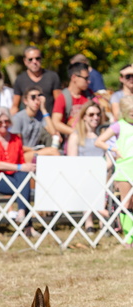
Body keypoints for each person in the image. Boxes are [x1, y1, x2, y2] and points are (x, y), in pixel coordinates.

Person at [0, 106, 38, 237]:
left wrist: (26, 167)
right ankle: (26, 223)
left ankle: (21, 213)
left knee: (24, 177)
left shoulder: (16, 139)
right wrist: (20, 167)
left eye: (6, 121)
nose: (3, 125)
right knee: (23, 181)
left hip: (15, 178)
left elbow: (21, 160)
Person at [95, 96, 133, 247]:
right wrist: (113, 149)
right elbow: (99, 141)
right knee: (126, 202)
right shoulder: (119, 126)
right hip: (124, 167)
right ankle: (128, 237)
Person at [67, 100, 107, 233]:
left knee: (104, 183)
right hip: (82, 174)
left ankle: (103, 221)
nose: (95, 117)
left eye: (97, 114)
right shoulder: (76, 136)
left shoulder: (103, 135)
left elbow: (108, 157)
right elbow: (72, 160)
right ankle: (89, 221)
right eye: (91, 115)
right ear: (84, 116)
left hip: (103, 174)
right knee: (88, 183)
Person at [11, 85, 60, 162]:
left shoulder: (41, 116)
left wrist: (43, 109)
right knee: (53, 152)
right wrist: (34, 150)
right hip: (20, 155)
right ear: (25, 101)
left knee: (52, 152)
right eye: (33, 97)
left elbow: (53, 133)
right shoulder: (18, 118)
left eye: (39, 98)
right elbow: (17, 146)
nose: (36, 101)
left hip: (34, 153)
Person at [11, 46, 61, 115]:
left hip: (49, 121)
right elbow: (15, 106)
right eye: (30, 59)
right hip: (29, 123)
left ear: (41, 59)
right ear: (25, 61)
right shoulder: (20, 79)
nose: (34, 62)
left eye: (37, 58)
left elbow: (59, 104)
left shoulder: (52, 76)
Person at [52, 62, 91, 140]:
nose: (89, 81)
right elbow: (56, 123)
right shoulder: (63, 97)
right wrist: (76, 133)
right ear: (74, 78)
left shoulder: (90, 95)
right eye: (86, 78)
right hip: (71, 140)